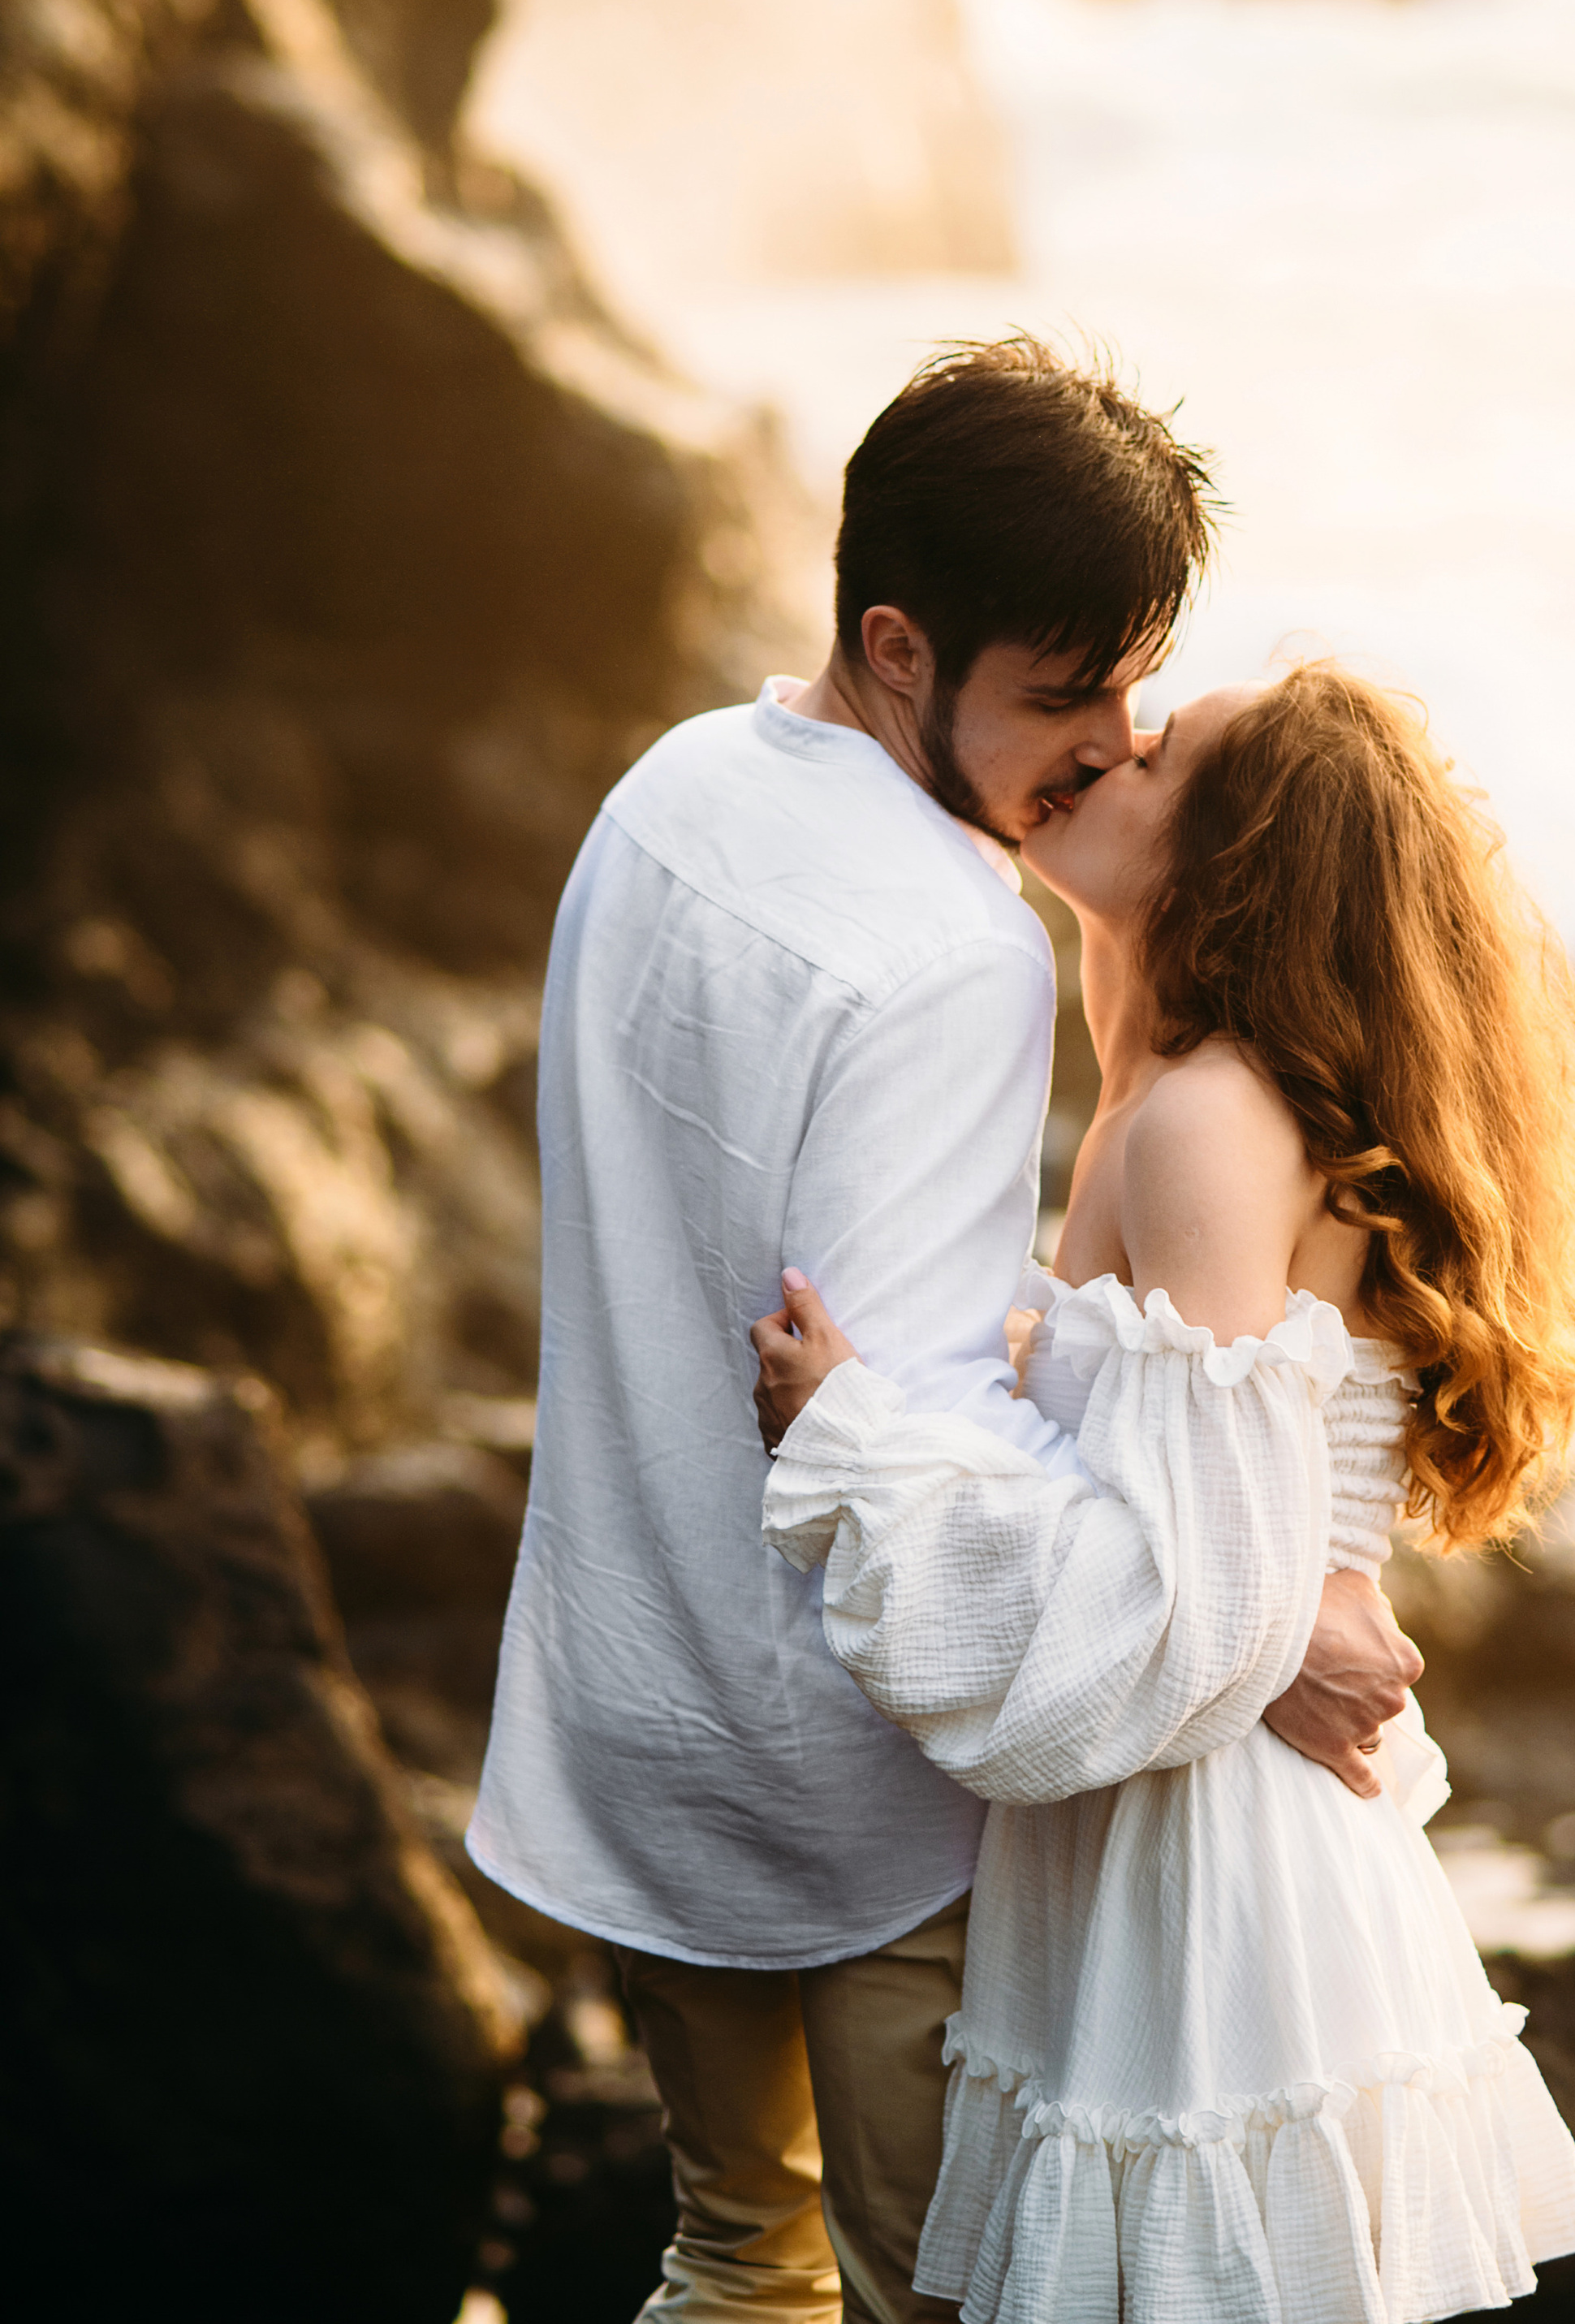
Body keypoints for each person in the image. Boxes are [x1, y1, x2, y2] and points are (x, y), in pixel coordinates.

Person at [468, 341, 1426, 2324]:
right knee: (947, 2301)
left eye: (1131, 688)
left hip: (636, 1698)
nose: (1106, 741)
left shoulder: (668, 793)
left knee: (732, 2259)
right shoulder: (947, 947)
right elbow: (904, 1430)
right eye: (1061, 695)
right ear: (900, 650)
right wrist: (1245, 1628)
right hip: (857, 1788)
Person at [754, 663, 1575, 2322]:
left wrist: (850, 1441)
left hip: (1210, 1868)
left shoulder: (1206, 1127)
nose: (1109, 749)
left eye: (1161, 754)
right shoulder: (1175, 1097)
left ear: (1236, 861)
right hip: (1187, 1834)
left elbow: (1173, 1592)